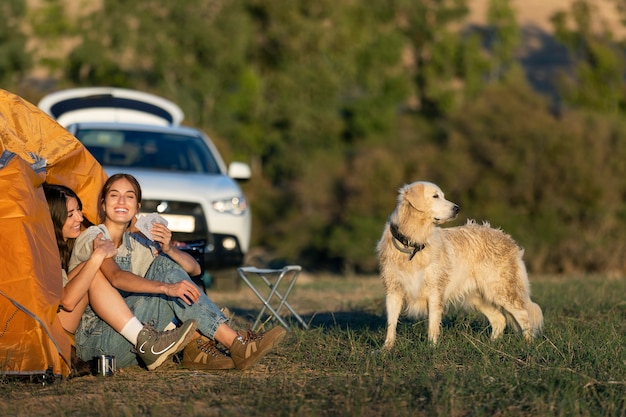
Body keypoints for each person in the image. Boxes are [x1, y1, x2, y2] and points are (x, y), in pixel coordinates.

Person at [69, 173, 286, 371]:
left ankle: (198, 348)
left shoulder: (137, 242)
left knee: (167, 264)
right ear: (103, 204)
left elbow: (195, 269)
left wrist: (168, 248)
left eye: (129, 196)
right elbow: (117, 277)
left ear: (138, 206)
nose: (122, 202)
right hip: (98, 342)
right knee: (168, 279)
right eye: (114, 195)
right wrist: (167, 288)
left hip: (137, 340)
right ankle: (232, 342)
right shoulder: (94, 237)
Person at [43, 183, 198, 372]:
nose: (80, 217)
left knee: (168, 268)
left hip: (76, 328)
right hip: (59, 334)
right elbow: (67, 301)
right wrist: (98, 256)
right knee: (93, 269)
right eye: (70, 214)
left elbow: (195, 269)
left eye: (79, 210)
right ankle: (147, 340)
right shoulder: (47, 250)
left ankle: (209, 336)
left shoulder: (69, 244)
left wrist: (166, 249)